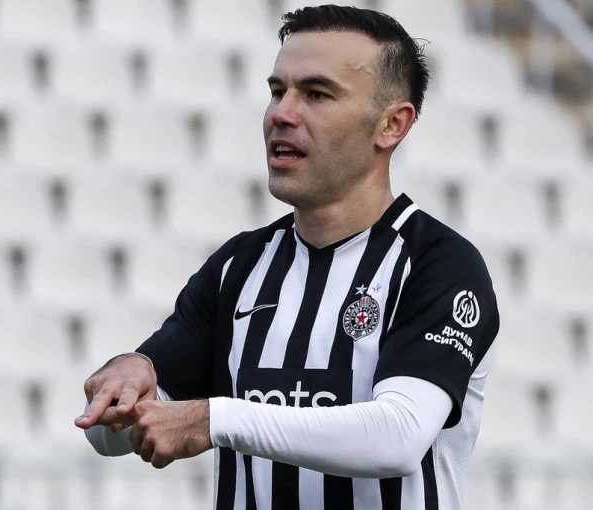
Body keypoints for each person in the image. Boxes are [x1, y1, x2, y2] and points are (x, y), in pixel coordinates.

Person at [75, 5, 499, 510]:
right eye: (278, 91)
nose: (282, 113)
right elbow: (115, 437)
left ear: (391, 124)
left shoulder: (439, 264)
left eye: (316, 94)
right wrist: (122, 384)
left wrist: (216, 419)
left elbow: (399, 437)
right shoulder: (239, 267)